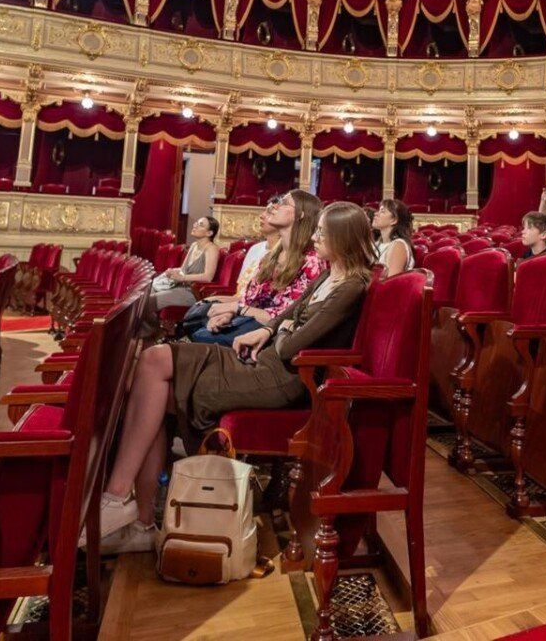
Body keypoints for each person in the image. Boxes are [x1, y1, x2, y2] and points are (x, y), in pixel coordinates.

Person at [98, 201, 375, 555]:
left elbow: (293, 345)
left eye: (323, 231)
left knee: (153, 366)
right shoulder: (328, 274)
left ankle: (119, 501)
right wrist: (271, 330)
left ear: (343, 237)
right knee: (151, 385)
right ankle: (136, 518)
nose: (316, 237)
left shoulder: (351, 285)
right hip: (263, 359)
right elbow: (285, 318)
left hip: (280, 378)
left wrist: (280, 331)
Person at [195, 190, 323, 346]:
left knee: (201, 338)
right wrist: (228, 313)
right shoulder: (270, 256)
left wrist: (237, 309)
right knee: (198, 320)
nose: (275, 207)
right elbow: (249, 299)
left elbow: (287, 315)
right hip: (249, 318)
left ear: (300, 214)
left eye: (283, 203)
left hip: (272, 333)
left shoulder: (311, 262)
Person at [176, 198, 280, 338]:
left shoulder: (283, 256)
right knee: (197, 312)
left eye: (269, 212)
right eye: (264, 211)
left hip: (254, 312)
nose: (261, 215)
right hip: (240, 303)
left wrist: (230, 310)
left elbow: (261, 301)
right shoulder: (255, 249)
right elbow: (240, 292)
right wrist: (215, 301)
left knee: (202, 328)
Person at [144, 215, 220, 324]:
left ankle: (147, 332)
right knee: (144, 295)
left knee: (149, 301)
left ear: (209, 233)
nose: (195, 226)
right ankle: (147, 332)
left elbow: (208, 277)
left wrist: (182, 277)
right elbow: (183, 269)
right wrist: (173, 271)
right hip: (179, 286)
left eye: (201, 225)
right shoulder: (194, 245)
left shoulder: (211, 249)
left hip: (193, 292)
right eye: (196, 223)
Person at [372, 198, 414, 277]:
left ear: (394, 220)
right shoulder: (377, 243)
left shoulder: (399, 245)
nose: (376, 214)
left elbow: (390, 282)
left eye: (382, 211)